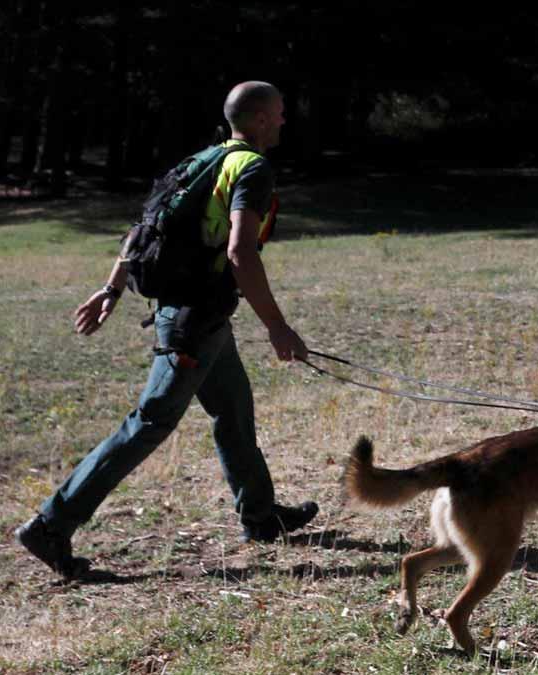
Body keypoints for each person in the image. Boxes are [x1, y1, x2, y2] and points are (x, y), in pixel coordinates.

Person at [16, 81, 317, 579]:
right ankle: (52, 523)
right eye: (280, 113)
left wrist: (111, 289)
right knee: (150, 422)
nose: (285, 121)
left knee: (234, 409)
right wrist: (278, 328)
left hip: (199, 314)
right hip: (194, 321)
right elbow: (241, 252)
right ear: (260, 118)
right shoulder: (252, 168)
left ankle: (261, 517)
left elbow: (142, 228)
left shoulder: (203, 160)